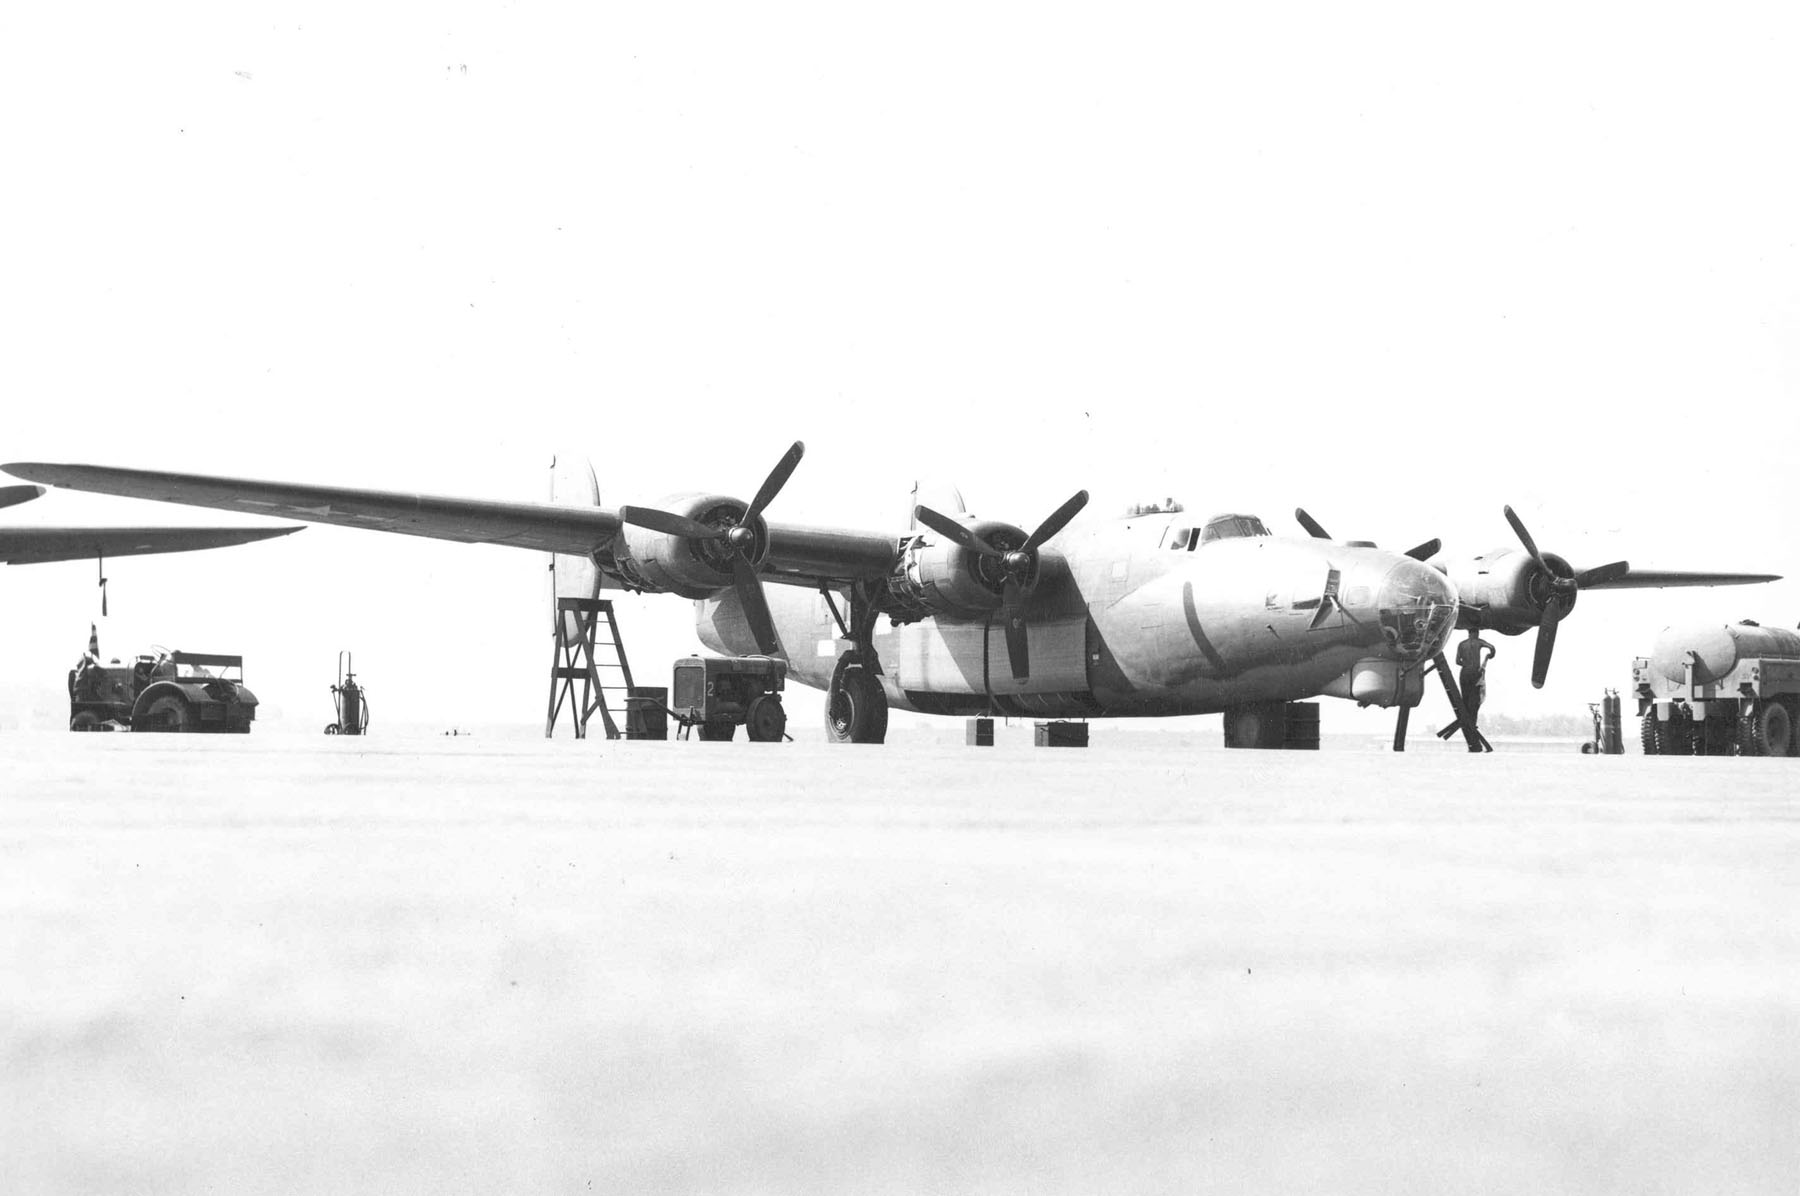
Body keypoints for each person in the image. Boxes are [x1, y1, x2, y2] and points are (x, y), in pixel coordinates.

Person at [1455, 627, 1496, 720]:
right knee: (1475, 699)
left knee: (1465, 698)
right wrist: (1490, 655)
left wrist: (1466, 664)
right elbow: (1492, 648)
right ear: (1476, 633)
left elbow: (1457, 661)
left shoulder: (1462, 644)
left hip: (1464, 672)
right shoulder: (1479, 642)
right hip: (1475, 672)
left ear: (1468, 633)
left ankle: (1465, 719)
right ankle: (1472, 722)